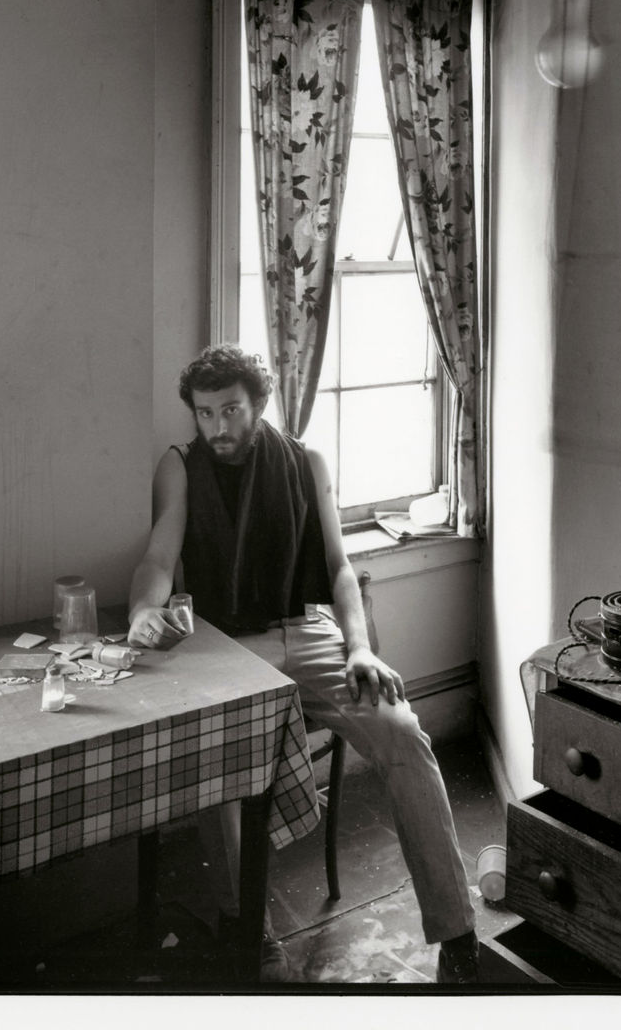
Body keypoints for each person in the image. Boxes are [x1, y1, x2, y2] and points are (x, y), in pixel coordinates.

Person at [126, 344, 479, 983]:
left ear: (259, 405)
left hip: (307, 630)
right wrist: (140, 613)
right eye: (205, 414)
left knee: (403, 735)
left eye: (231, 410)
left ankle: (458, 932)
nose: (218, 428)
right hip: (227, 644)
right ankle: (251, 934)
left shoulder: (305, 460)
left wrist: (362, 647)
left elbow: (341, 568)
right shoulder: (179, 467)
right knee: (219, 759)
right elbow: (156, 560)